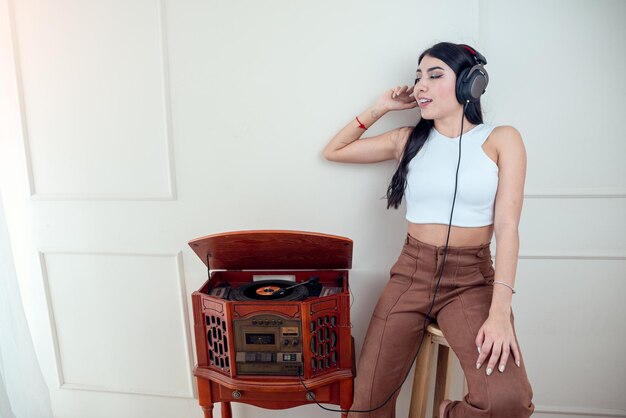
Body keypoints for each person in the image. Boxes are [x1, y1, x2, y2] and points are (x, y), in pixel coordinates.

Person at [323, 42, 534, 418]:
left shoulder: (502, 140)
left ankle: (446, 412)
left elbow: (507, 226)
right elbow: (335, 151)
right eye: (418, 77)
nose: (421, 85)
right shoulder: (407, 140)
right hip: (411, 274)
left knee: (508, 402)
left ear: (471, 84)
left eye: (435, 75)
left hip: (472, 280)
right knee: (364, 409)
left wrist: (501, 312)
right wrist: (380, 107)